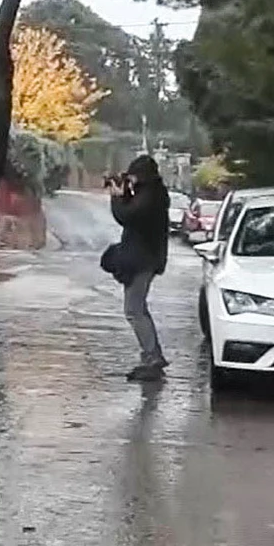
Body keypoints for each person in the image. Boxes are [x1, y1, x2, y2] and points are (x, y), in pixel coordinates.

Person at [107, 154, 170, 381]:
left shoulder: (150, 196)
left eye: (132, 175)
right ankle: (152, 355)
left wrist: (117, 198)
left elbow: (127, 216)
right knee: (137, 308)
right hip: (144, 258)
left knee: (134, 310)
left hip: (143, 260)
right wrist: (126, 193)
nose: (130, 179)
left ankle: (152, 357)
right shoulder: (152, 193)